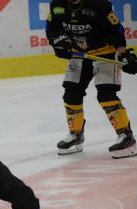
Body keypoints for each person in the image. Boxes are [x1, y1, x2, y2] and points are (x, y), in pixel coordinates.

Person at [46, 0, 137, 158]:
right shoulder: (57, 5)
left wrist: (123, 55)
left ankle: (127, 136)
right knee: (71, 94)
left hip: (106, 52)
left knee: (106, 94)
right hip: (79, 54)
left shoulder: (98, 5)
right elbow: (51, 28)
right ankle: (76, 135)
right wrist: (57, 44)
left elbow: (116, 30)